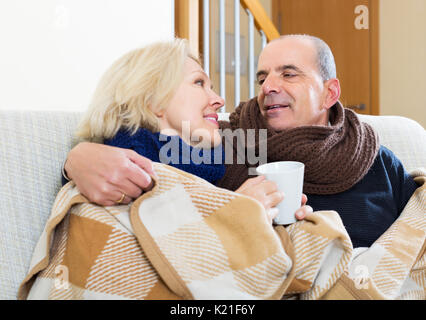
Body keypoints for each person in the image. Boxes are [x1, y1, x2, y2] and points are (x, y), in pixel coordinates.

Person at [64, 35, 418, 248]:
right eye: (262, 77)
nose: (268, 87)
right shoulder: (226, 142)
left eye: (288, 73)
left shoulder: (377, 160)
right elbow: (157, 184)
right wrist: (79, 157)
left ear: (330, 92)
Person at [67, 38, 311, 224]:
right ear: (155, 101)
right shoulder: (119, 174)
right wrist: (234, 213)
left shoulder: (208, 162)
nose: (219, 99)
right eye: (199, 83)